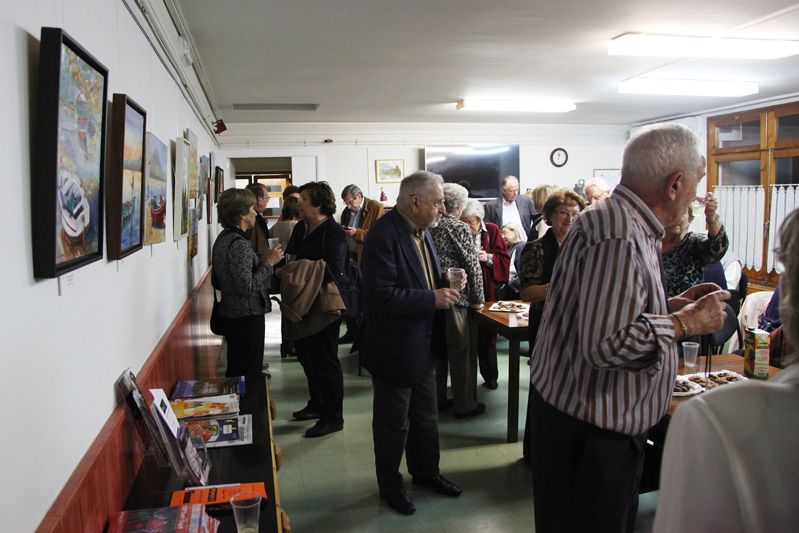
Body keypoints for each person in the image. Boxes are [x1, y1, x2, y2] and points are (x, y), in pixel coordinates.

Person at [527, 123, 731, 533]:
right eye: (696, 183)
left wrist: (671, 304)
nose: (696, 194)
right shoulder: (619, 234)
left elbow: (605, 310)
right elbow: (607, 345)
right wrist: (686, 322)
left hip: (578, 427)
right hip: (590, 439)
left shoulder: (614, 220)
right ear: (675, 184)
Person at [654, 207, 799, 532]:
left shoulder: (715, 420)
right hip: (669, 323)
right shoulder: (650, 245)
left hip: (684, 329)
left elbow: (717, 245)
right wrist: (674, 305)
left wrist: (713, 218)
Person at [360, 171, 464, 516]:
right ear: (415, 201)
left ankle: (426, 473)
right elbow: (378, 296)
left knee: (426, 418)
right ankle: (390, 486)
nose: (443, 208)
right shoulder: (383, 235)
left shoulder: (422, 231)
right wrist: (430, 299)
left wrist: (446, 277)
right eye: (437, 201)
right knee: (394, 424)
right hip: (395, 348)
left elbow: (419, 278)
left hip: (424, 344)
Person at [283, 181, 348, 438]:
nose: (299, 204)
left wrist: (295, 270)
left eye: (304, 200)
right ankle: (317, 404)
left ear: (319, 204)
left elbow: (332, 268)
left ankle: (334, 416)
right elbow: (290, 257)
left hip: (323, 304)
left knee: (326, 361)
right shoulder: (301, 227)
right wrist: (294, 267)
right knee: (306, 355)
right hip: (301, 302)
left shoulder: (334, 232)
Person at [212, 189, 283, 382]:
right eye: (252, 208)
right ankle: (248, 408)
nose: (255, 212)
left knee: (237, 367)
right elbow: (247, 286)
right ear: (242, 214)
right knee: (247, 371)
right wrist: (269, 263)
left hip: (232, 313)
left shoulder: (223, 238)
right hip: (246, 315)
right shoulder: (239, 244)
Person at [430, 182, 485, 417]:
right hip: (456, 298)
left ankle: (438, 398)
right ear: (461, 205)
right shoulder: (458, 227)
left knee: (439, 350)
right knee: (460, 352)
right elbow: (472, 266)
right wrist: (478, 299)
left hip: (432, 297)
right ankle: (464, 404)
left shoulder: (429, 225)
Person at [519, 189, 586, 347]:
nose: (570, 219)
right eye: (563, 213)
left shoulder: (585, 247)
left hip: (579, 322)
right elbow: (527, 293)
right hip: (547, 322)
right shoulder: (535, 249)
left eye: (575, 213)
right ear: (549, 215)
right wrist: (558, 286)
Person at [461, 199, 510, 390]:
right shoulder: (459, 230)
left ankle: (490, 376)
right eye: (463, 220)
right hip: (466, 290)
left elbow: (504, 259)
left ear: (479, 219)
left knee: (487, 334)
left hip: (487, 290)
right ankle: (467, 380)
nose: (467, 225)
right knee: (466, 334)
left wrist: (487, 257)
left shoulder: (491, 230)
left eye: (470, 221)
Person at [338, 184, 384, 345]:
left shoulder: (376, 207)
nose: (348, 206)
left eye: (350, 202)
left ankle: (365, 335)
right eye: (346, 203)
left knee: (366, 296)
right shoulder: (346, 212)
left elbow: (379, 234)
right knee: (350, 296)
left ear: (359, 196)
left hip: (367, 258)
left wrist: (356, 233)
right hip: (350, 258)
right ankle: (352, 332)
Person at [662, 193, 728, 297]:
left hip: (687, 310)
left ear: (689, 221)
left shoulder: (693, 243)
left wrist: (711, 215)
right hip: (652, 311)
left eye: (682, 213)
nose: (677, 217)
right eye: (672, 212)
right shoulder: (650, 244)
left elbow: (717, 246)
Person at [484, 175, 537, 240]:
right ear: (503, 190)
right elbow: (487, 228)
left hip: (524, 242)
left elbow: (536, 219)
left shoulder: (526, 201)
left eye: (517, 190)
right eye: (511, 191)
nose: (516, 193)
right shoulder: (491, 206)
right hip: (503, 243)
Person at [500, 222, 527, 300]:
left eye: (505, 233)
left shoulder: (521, 247)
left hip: (515, 292)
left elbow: (521, 272)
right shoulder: (510, 248)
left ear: (515, 232)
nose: (502, 237)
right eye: (501, 234)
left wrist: (511, 284)